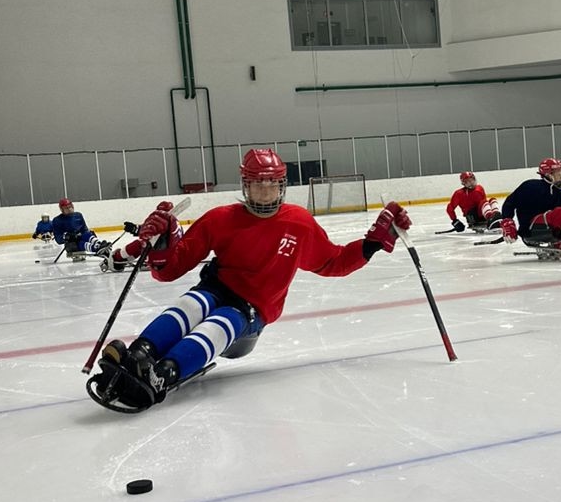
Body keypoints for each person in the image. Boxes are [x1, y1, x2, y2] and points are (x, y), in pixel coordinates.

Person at [87, 148, 411, 412]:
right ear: (246, 185)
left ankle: (163, 374)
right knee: (191, 304)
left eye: (272, 183)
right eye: (258, 183)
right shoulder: (220, 219)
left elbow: (333, 262)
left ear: (282, 185)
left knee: (219, 323)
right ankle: (139, 354)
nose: (265, 190)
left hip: (250, 310)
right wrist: (162, 243)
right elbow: (169, 271)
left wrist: (370, 245)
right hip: (216, 288)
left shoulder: (299, 223)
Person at [50, 198, 124, 268]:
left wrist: (87, 234)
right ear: (62, 210)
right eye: (66, 208)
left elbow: (84, 230)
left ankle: (99, 244)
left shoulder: (78, 215)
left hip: (80, 237)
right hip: (71, 244)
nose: (69, 209)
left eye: (70, 206)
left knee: (87, 234)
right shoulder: (57, 220)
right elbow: (58, 239)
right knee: (78, 242)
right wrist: (67, 236)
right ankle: (96, 248)